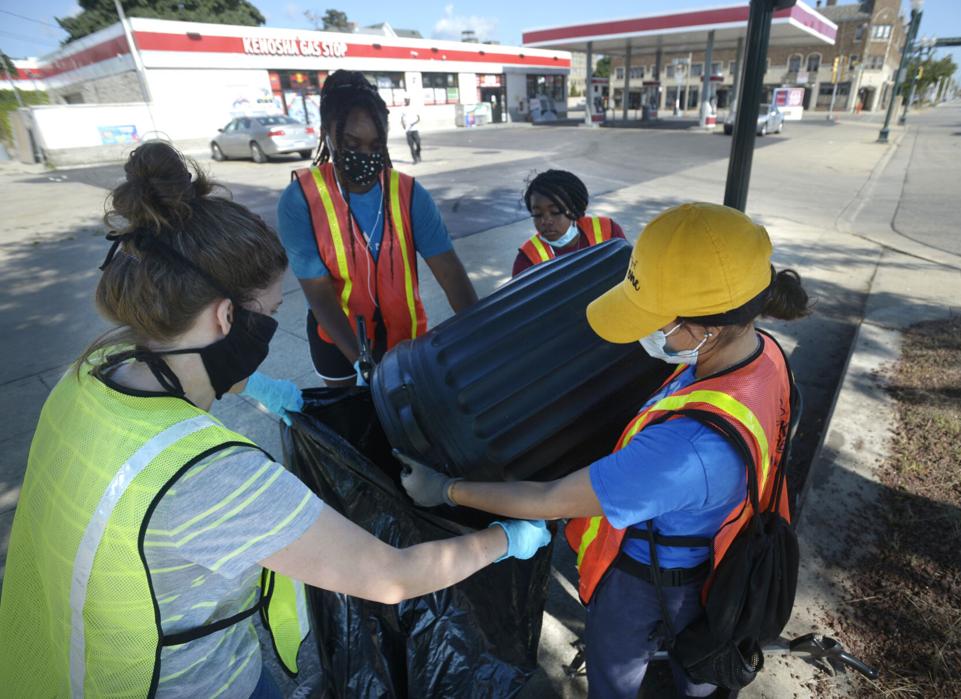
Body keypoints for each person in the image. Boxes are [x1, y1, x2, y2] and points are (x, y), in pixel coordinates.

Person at [0, 142, 550, 698]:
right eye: (270, 316)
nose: (269, 331)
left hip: (50, 661)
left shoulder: (87, 375)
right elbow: (392, 577)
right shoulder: (207, 475)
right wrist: (507, 538)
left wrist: (261, 388)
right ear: (225, 317)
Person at [398, 202, 810, 699]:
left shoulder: (688, 450)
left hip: (654, 581)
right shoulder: (762, 353)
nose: (646, 332)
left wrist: (446, 489)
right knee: (700, 668)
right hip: (722, 550)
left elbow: (550, 499)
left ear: (708, 329)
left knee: (617, 679)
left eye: (658, 319)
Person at [277, 70, 477, 385]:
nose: (366, 157)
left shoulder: (410, 194)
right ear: (329, 132)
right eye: (352, 143)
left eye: (375, 145)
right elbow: (320, 295)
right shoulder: (301, 199)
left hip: (405, 340)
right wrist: (363, 364)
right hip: (337, 341)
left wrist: (480, 333)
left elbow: (451, 274)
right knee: (352, 423)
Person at [513, 169, 626, 277]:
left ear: (574, 209)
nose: (546, 221)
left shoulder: (607, 231)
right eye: (537, 214)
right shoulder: (527, 259)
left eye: (555, 211)